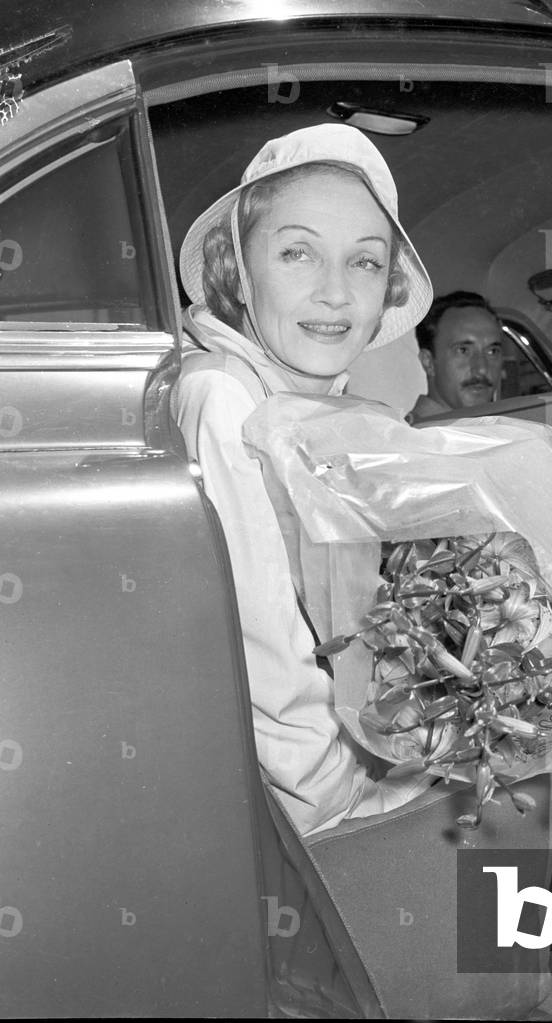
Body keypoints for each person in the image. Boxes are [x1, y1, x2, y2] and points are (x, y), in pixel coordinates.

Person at [172, 124, 435, 838]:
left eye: (364, 263)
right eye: (297, 252)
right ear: (236, 271)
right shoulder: (225, 399)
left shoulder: (325, 411)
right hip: (287, 808)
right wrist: (351, 810)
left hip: (337, 758)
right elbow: (269, 664)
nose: (333, 293)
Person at [409, 290, 504, 421]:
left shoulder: (497, 431)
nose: (482, 368)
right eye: (463, 350)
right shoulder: (409, 439)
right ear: (428, 362)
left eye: (492, 351)